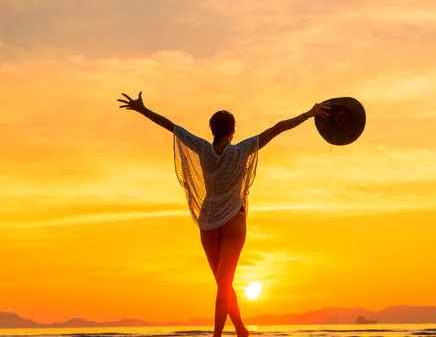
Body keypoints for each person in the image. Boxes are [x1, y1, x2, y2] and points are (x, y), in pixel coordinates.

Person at [117, 92, 330, 337]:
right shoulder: (242, 149)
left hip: (208, 222)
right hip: (232, 222)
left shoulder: (204, 149)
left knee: (222, 283)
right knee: (224, 284)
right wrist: (309, 113)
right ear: (232, 131)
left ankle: (229, 332)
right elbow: (278, 128)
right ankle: (234, 331)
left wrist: (143, 110)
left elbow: (173, 127)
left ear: (212, 130)